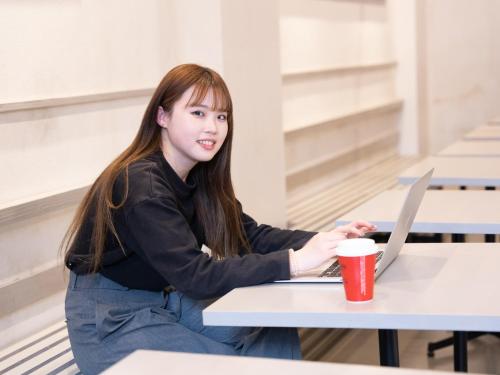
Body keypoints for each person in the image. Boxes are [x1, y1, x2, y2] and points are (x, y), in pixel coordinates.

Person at [62, 63, 376, 374]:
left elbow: (248, 236)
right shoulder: (141, 184)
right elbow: (196, 276)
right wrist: (296, 261)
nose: (212, 127)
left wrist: (324, 242)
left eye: (221, 116)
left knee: (271, 330)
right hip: (111, 318)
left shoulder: (197, 177)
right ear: (162, 116)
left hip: (167, 299)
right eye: (198, 113)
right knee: (234, 366)